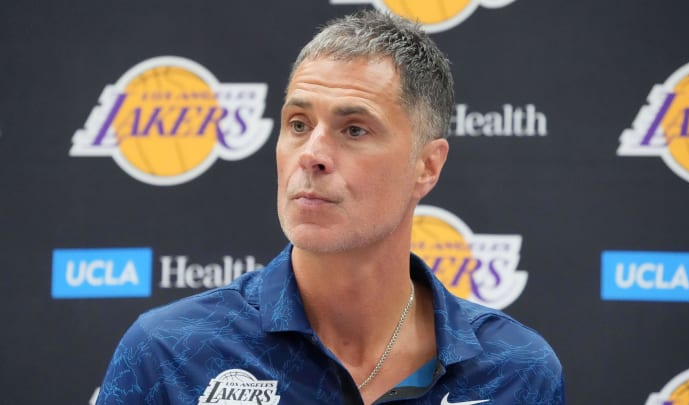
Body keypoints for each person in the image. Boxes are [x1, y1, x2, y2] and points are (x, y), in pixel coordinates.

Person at [96, 10, 565, 405]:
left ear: (427, 165)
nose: (312, 153)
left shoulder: (515, 372)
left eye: (354, 130)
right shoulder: (167, 353)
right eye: (298, 124)